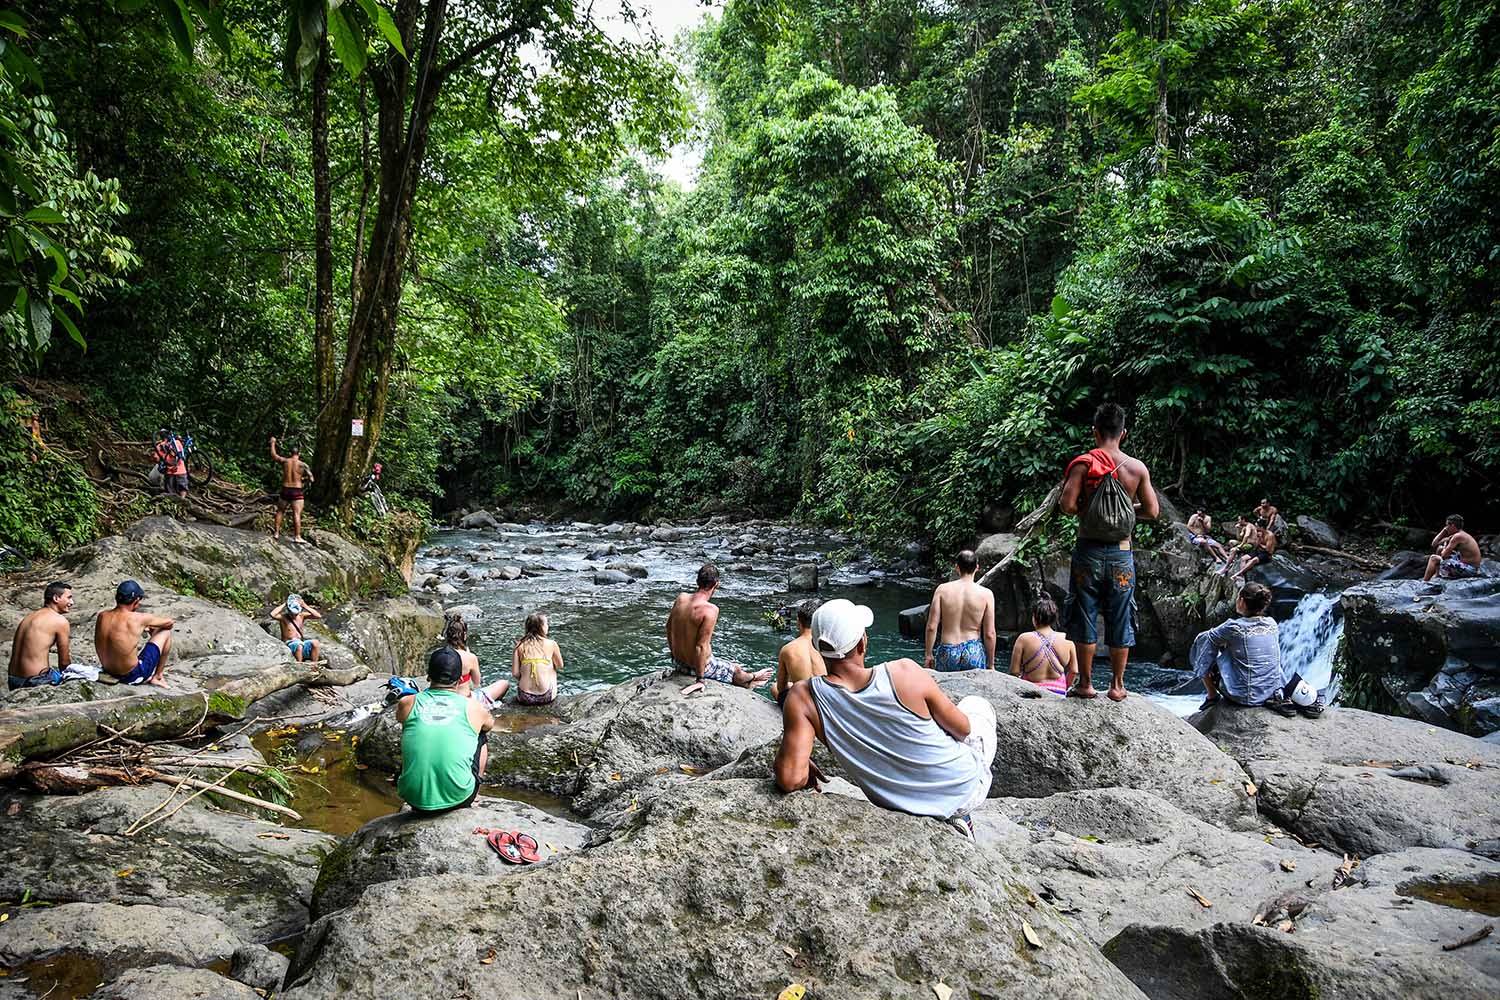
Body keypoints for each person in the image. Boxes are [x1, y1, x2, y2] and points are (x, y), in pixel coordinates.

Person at [774, 599, 997, 839]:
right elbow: (963, 730)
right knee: (977, 706)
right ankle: (958, 816)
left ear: (819, 648)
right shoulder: (904, 672)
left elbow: (790, 779)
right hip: (964, 790)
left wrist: (799, 759)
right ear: (862, 643)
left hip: (897, 802)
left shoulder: (802, 697)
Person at [1059, 402, 1159, 701]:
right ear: (1123, 433)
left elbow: (1066, 506)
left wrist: (1090, 508)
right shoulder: (1136, 468)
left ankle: (1086, 684)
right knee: (1120, 614)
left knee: (1085, 613)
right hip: (1121, 554)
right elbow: (1153, 511)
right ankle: (1117, 685)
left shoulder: (1083, 464)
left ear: (1095, 432)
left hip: (1088, 552)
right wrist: (1125, 510)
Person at [395, 647, 497, 814]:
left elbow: (400, 718)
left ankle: (419, 780)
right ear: (459, 681)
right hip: (458, 799)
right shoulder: (474, 708)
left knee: (411, 724)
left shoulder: (407, 702)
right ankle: (476, 789)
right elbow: (489, 724)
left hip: (412, 798)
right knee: (481, 734)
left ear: (428, 676)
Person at [667, 563, 771, 687]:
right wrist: (700, 680)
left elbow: (668, 627)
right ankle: (752, 677)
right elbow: (701, 647)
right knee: (737, 672)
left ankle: (749, 679)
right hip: (695, 668)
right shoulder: (710, 610)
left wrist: (674, 655)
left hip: (678, 663)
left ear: (697, 581)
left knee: (731, 665)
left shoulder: (681, 598)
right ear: (716, 584)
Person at [1189, 582, 1285, 710]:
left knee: (1206, 641)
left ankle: (1212, 695)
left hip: (1244, 696)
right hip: (1271, 693)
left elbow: (1206, 639)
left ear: (1242, 601)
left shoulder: (1234, 627)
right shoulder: (1272, 624)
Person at [923, 550, 997, 672]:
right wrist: (991, 664)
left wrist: (928, 654)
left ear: (957, 567)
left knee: (944, 689)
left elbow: (931, 626)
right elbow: (989, 633)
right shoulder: (986, 594)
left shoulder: (942, 590)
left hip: (948, 650)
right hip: (973, 650)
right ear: (977, 567)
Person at [95, 580, 173, 687]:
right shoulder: (138, 618)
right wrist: (149, 627)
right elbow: (169, 623)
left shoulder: (102, 616)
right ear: (136, 601)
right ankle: (158, 676)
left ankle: (155, 676)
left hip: (107, 672)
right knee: (165, 632)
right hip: (132, 676)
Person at [7, 581, 74, 690]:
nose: (72, 602)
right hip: (35, 681)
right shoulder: (60, 621)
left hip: (13, 679)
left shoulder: (29, 617)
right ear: (56, 598)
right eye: (69, 598)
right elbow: (64, 662)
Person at [1008, 594, 1075, 696]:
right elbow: (1074, 671)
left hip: (1031, 693)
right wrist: (1066, 688)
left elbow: (1014, 672)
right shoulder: (1068, 639)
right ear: (1054, 618)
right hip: (1059, 693)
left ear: (1034, 617)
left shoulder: (1023, 638)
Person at [444, 612, 510, 709]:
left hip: (446, 699)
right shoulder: (470, 657)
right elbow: (476, 682)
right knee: (504, 683)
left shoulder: (439, 656)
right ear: (464, 635)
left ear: (447, 634)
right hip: (467, 700)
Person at [771, 599, 825, 705]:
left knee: (774, 687)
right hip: (826, 703)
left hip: (802, 706)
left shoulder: (787, 649)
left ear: (798, 622)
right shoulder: (828, 646)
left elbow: (781, 688)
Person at [511, 612, 562, 706]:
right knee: (552, 668)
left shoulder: (519, 645)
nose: (548, 626)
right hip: (546, 696)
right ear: (541, 627)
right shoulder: (551, 643)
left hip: (524, 697)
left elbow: (515, 673)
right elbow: (560, 665)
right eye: (546, 624)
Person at [270, 436, 313, 545]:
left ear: (290, 453)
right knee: (297, 513)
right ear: (299, 454)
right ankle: (297, 536)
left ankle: (276, 533)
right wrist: (303, 480)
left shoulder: (285, 461)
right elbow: (312, 479)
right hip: (297, 491)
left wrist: (273, 443)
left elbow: (274, 456)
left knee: (280, 511)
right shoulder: (303, 465)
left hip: (285, 489)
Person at [1425, 514, 1483, 581]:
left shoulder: (1458, 536)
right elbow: (1434, 544)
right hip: (1466, 563)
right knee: (1439, 548)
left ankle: (1424, 582)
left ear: (1452, 525)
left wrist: (1446, 544)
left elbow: (1444, 555)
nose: (1446, 527)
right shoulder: (1459, 534)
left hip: (1470, 569)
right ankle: (1437, 575)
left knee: (1433, 558)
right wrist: (1443, 531)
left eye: (1447, 525)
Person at [271, 593, 323, 663]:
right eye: (292, 613)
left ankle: (314, 665)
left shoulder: (301, 616)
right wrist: (285, 604)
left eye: (295, 614)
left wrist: (305, 606)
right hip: (290, 643)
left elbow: (318, 616)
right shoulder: (284, 617)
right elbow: (272, 614)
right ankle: (299, 664)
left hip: (300, 641)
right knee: (299, 645)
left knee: (315, 643)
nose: (294, 615)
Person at [153, 429, 189, 497]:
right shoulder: (177, 442)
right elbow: (182, 454)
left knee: (170, 490)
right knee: (183, 488)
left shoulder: (159, 446)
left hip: (169, 472)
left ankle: (173, 502)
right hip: (181, 471)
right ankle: (182, 500)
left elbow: (156, 458)